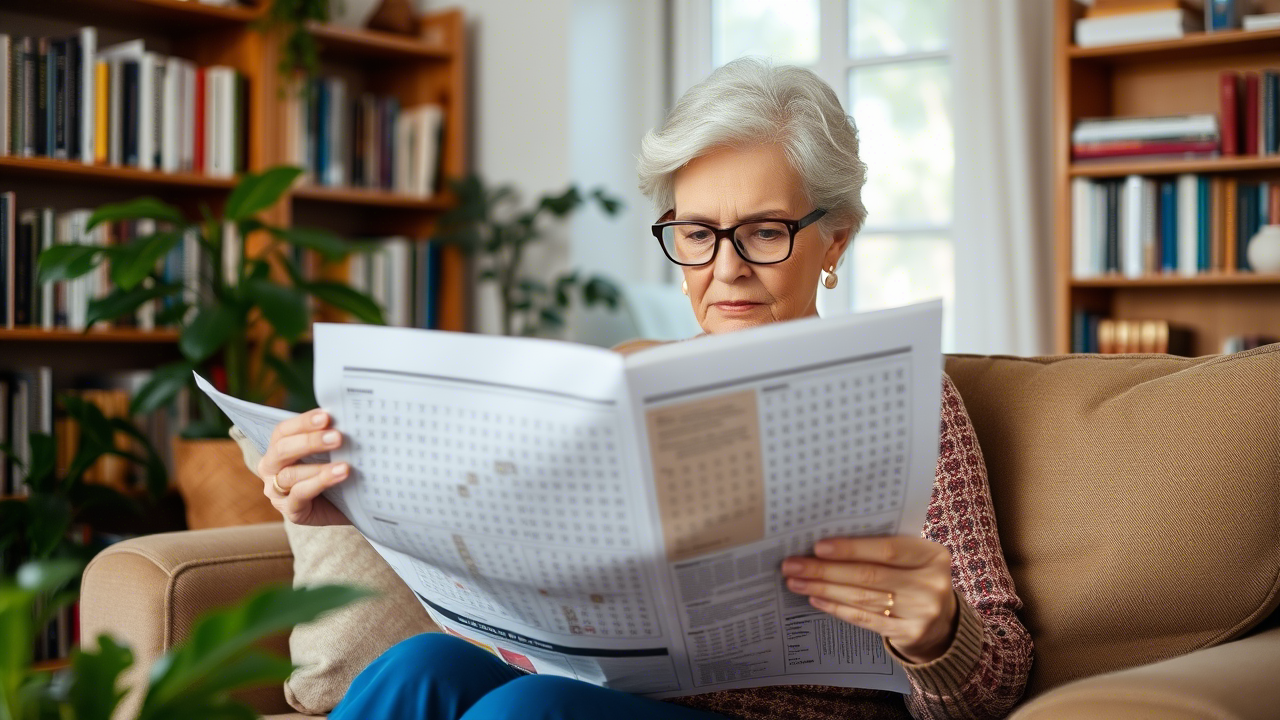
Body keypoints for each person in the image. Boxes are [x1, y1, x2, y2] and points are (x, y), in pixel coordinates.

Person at [251, 57, 1033, 720]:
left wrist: (935, 634)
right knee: (419, 668)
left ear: (836, 238)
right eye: (696, 234)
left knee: (528, 713)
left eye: (764, 232)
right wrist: (350, 505)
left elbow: (1000, 677)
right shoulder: (624, 380)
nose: (725, 269)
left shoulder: (906, 396)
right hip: (596, 697)